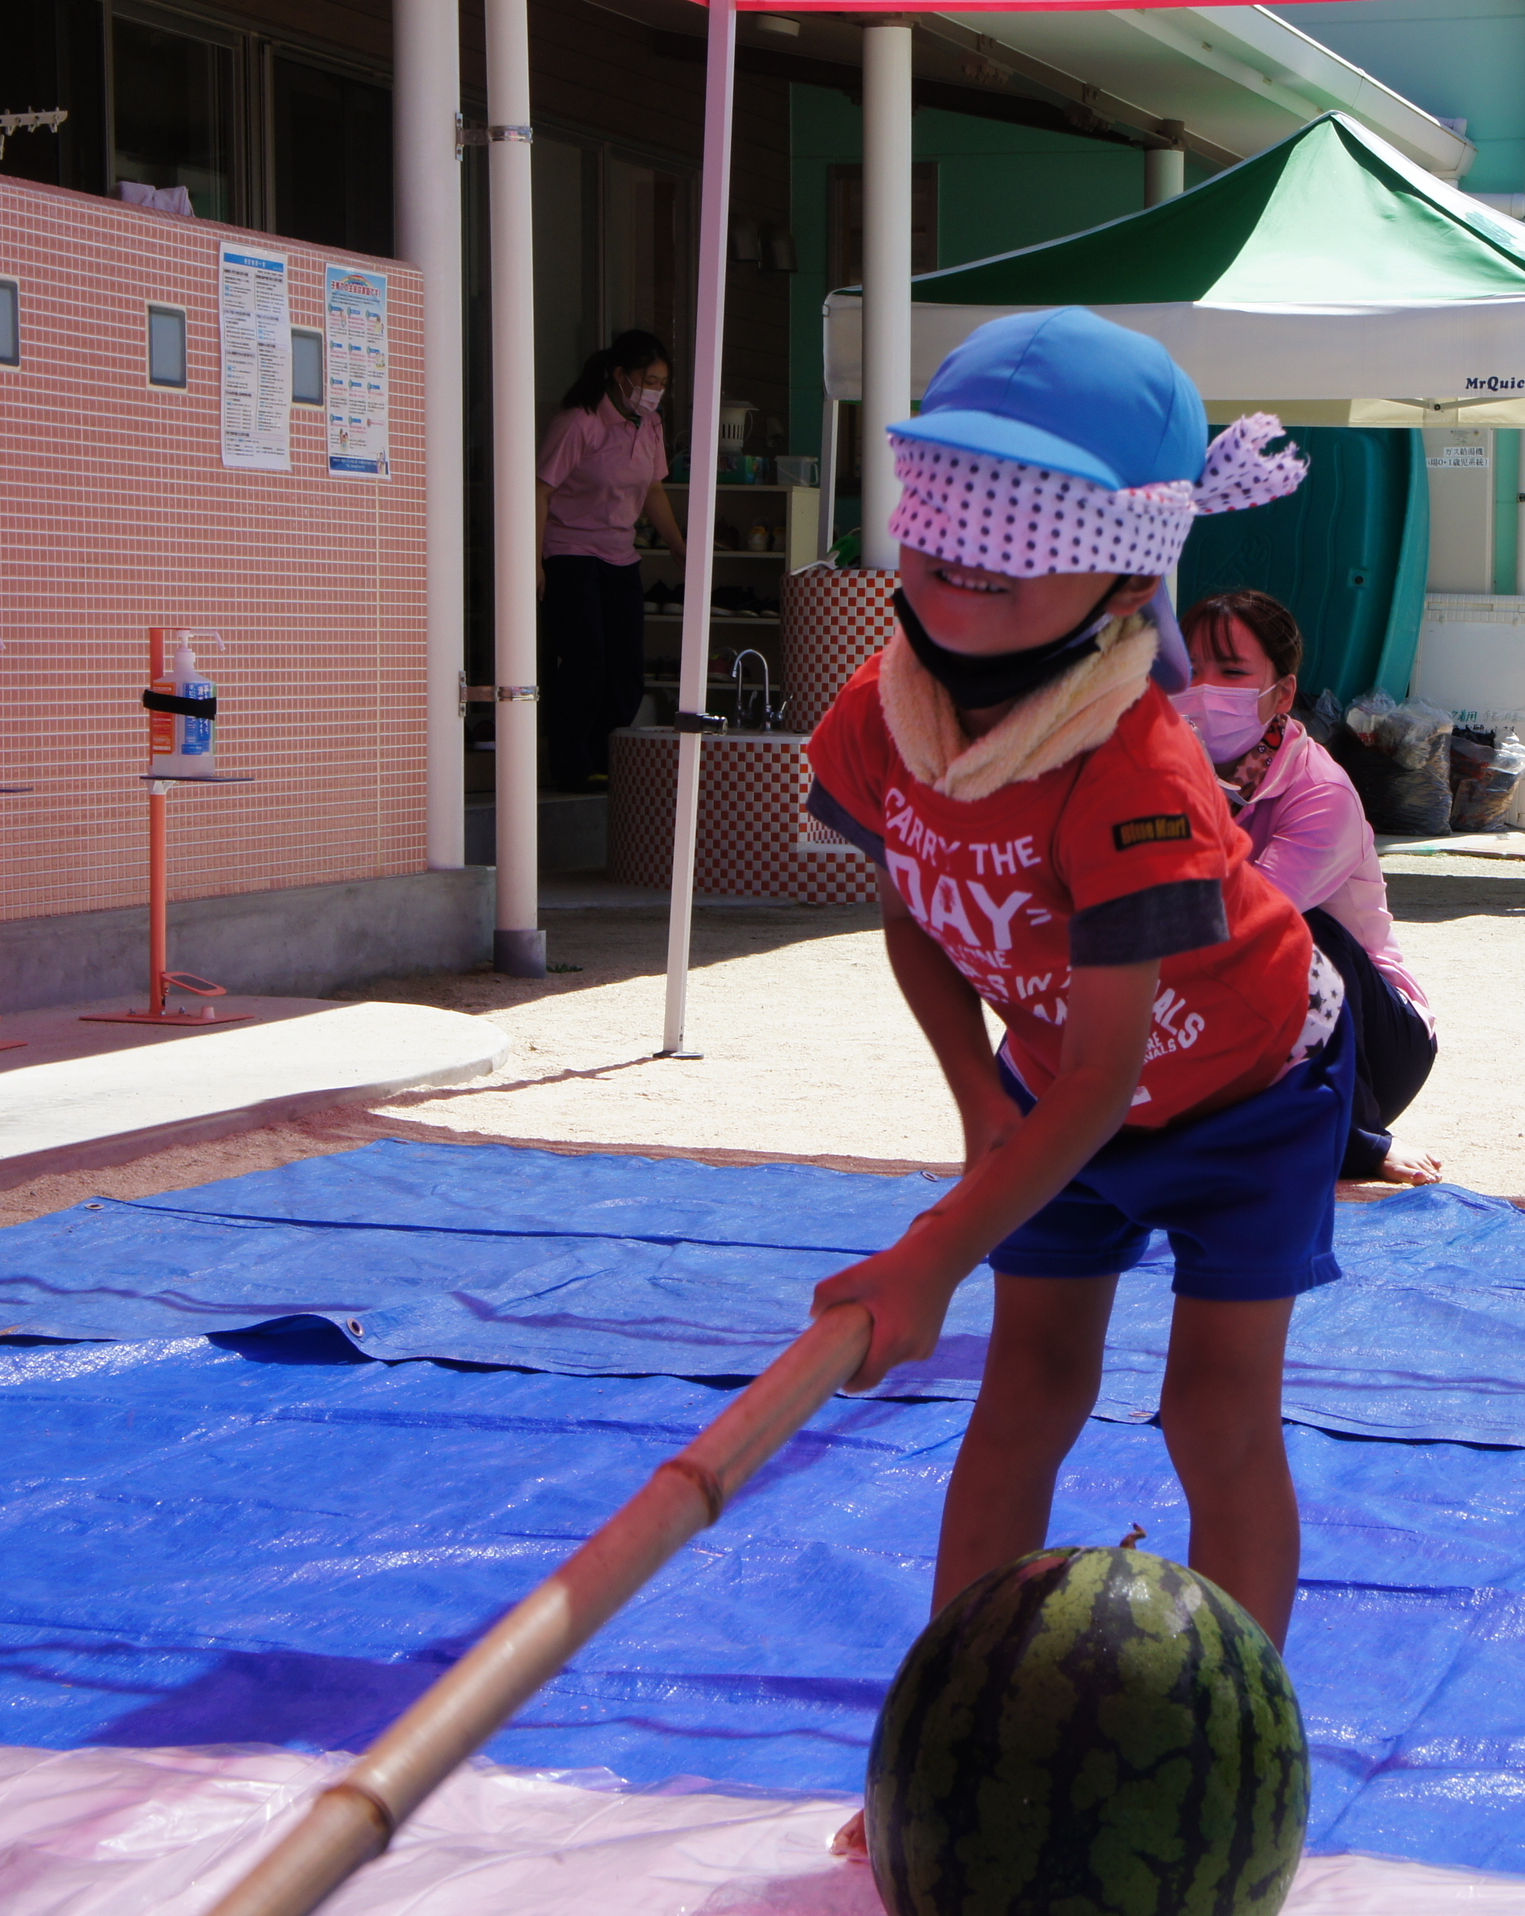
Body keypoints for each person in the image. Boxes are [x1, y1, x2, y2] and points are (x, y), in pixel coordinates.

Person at [801, 309, 1337, 1667]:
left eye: (1020, 533)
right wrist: (980, 1101)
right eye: (941, 526)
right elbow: (918, 906)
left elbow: (1108, 1075)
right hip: (1061, 1092)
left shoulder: (1132, 769)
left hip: (1250, 1090)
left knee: (1214, 1413)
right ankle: (944, 1733)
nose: (966, 563)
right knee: (1024, 1387)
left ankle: (1238, 1745)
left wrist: (936, 1250)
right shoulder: (882, 715)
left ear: (1119, 573)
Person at [1177, 588, 1441, 1185]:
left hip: (1372, 1040)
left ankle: (1359, 1136)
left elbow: (1239, 922)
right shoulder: (1165, 771)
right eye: (1191, 669)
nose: (1204, 687)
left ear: (1284, 694)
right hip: (1235, 1022)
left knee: (1286, 926)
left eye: (1232, 672)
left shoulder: (1321, 793)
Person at [537, 330, 685, 791]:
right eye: (648, 380)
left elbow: (654, 491)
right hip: (570, 552)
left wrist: (683, 549)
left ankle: (604, 757)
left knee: (626, 668)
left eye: (662, 382)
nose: (655, 391)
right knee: (586, 663)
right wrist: (533, 562)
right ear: (620, 376)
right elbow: (540, 490)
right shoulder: (579, 422)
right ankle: (567, 761)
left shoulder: (650, 426)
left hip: (620, 556)